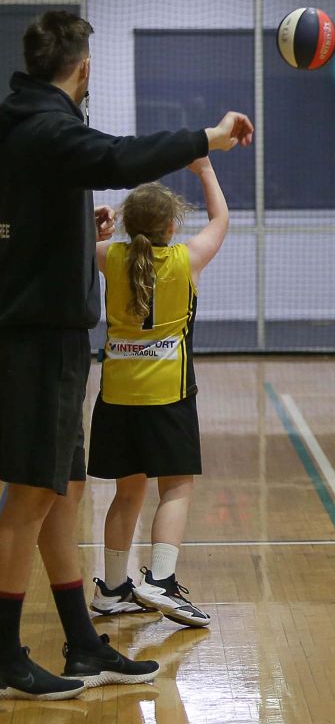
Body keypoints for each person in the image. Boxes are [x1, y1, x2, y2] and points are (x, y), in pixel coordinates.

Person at [0, 10, 252, 699]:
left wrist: (81, 227)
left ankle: (83, 643)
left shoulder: (22, 123)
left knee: (64, 495)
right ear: (82, 69)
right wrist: (208, 138)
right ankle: (4, 654)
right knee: (27, 497)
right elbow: (115, 157)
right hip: (39, 338)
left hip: (56, 340)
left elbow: (27, 218)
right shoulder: (48, 126)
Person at [88, 158, 229, 628]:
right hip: (168, 395)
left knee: (126, 493)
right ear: (172, 224)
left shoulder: (109, 256)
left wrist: (96, 230)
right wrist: (204, 168)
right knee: (176, 489)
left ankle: (111, 589)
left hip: (116, 396)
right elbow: (221, 220)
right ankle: (161, 582)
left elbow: (82, 246)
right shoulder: (186, 260)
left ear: (126, 224)